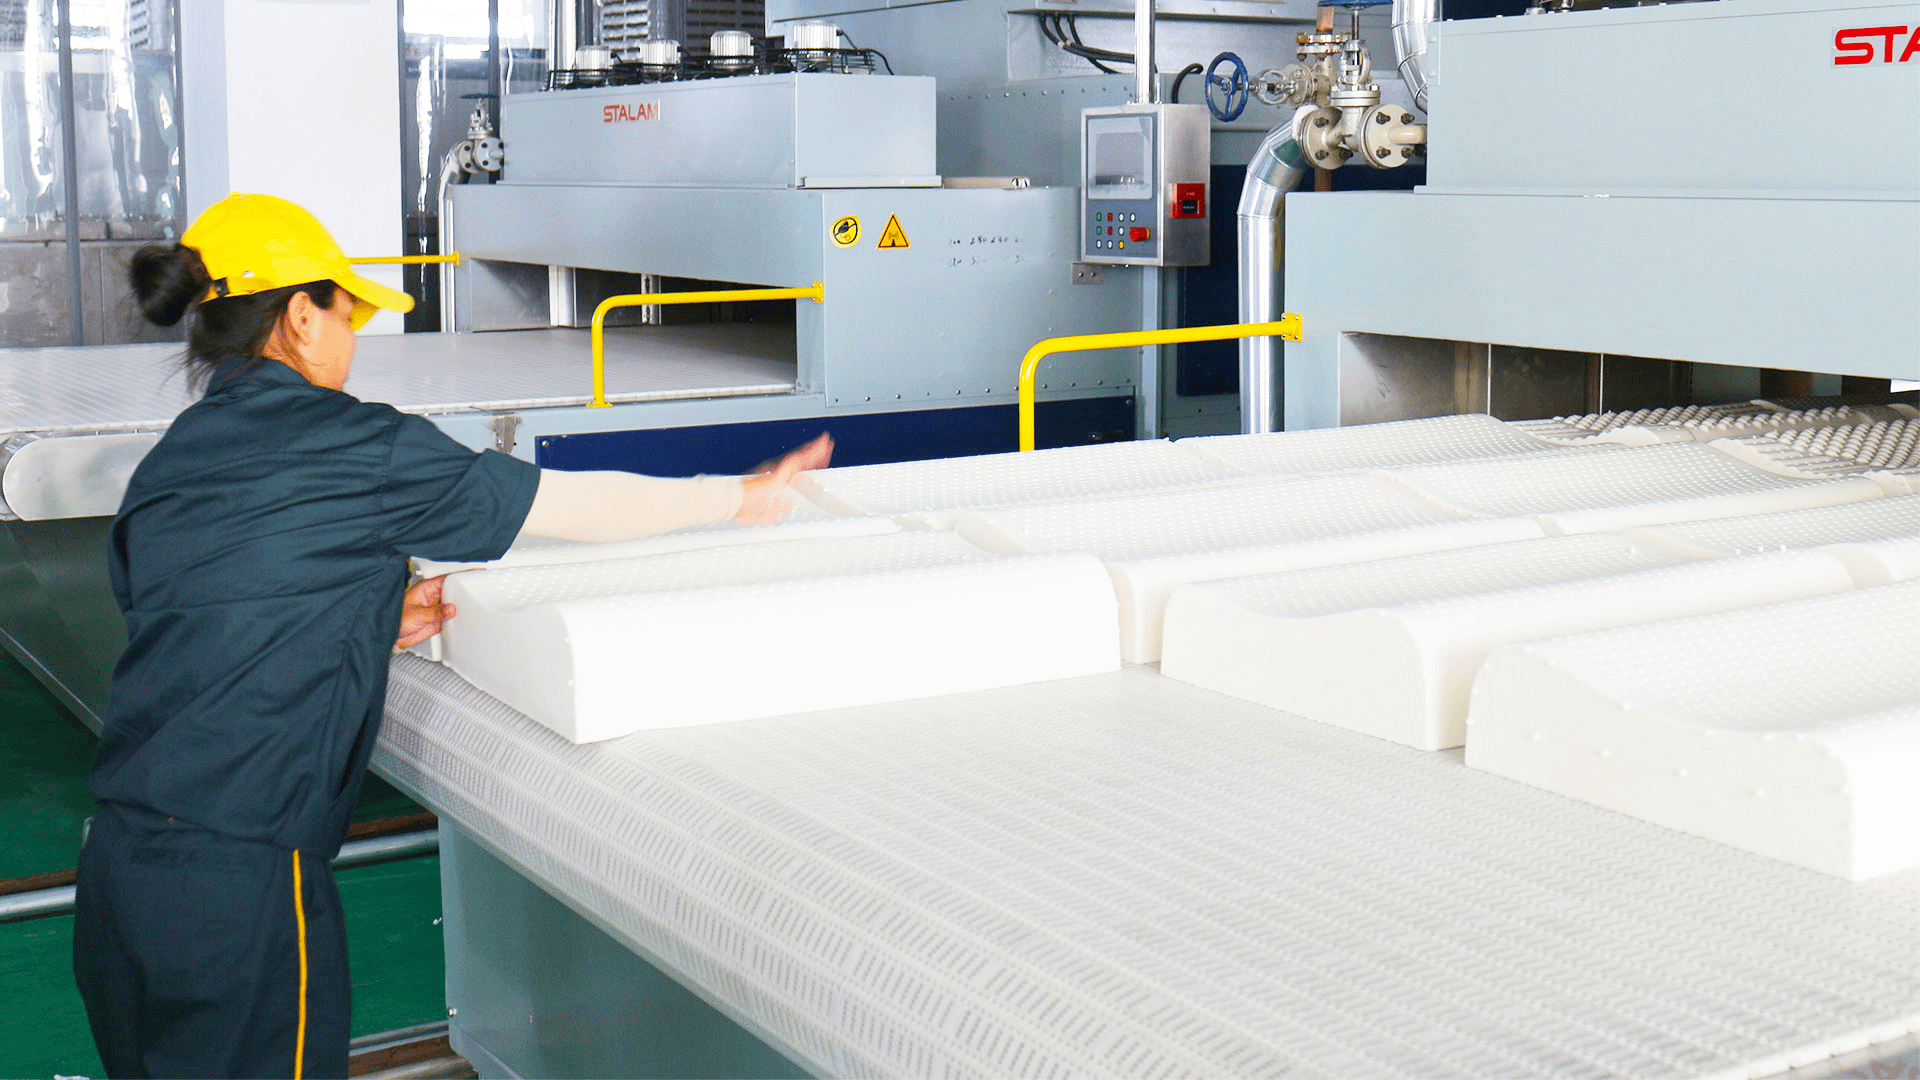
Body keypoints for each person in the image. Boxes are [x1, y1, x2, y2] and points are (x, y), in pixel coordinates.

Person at [70, 193, 833, 1079]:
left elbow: (198, 618)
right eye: (347, 315)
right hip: (239, 896)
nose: (352, 341)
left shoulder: (172, 460)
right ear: (301, 318)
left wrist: (365, 617)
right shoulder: (352, 444)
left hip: (120, 877)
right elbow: (569, 506)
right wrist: (738, 496)